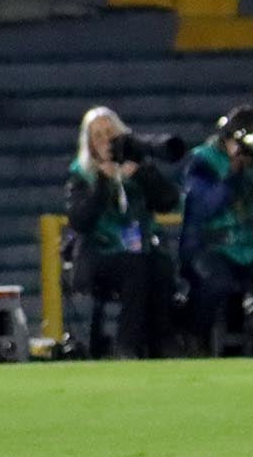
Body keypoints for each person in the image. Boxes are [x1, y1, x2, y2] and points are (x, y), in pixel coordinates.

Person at [64, 106, 180, 359]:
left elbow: (168, 201)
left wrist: (141, 174)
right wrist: (104, 183)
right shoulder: (81, 175)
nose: (106, 140)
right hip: (99, 254)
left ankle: (163, 342)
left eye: (110, 132)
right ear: (90, 145)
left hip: (140, 250)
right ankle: (126, 346)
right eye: (98, 136)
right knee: (135, 267)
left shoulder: (137, 166)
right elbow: (80, 221)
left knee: (160, 266)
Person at [179, 107, 253, 348]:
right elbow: (204, 207)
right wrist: (231, 174)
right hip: (209, 248)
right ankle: (194, 334)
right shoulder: (202, 163)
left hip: (251, 248)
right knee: (216, 283)